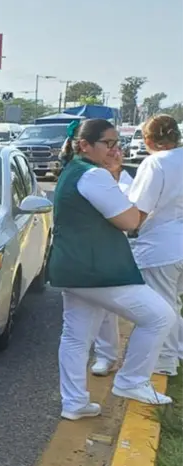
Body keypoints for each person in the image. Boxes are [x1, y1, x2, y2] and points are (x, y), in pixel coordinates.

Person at [49, 118, 175, 421]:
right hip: (99, 269)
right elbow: (130, 221)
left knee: (76, 337)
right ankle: (131, 381)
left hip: (74, 268)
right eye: (108, 143)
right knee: (161, 317)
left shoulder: (73, 171)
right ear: (85, 145)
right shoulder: (95, 176)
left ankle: (75, 403)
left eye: (117, 143)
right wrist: (115, 174)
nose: (115, 150)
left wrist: (113, 173)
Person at [127, 114, 183, 376]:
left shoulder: (155, 163)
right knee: (174, 302)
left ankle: (164, 362)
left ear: (148, 139)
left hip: (162, 245)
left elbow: (139, 209)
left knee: (162, 306)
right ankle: (175, 353)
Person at [90, 168, 135, 376]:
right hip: (104, 250)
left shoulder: (132, 181)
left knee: (157, 306)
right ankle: (106, 356)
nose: (113, 154)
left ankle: (168, 350)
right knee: (105, 305)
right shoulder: (89, 179)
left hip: (139, 247)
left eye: (115, 148)